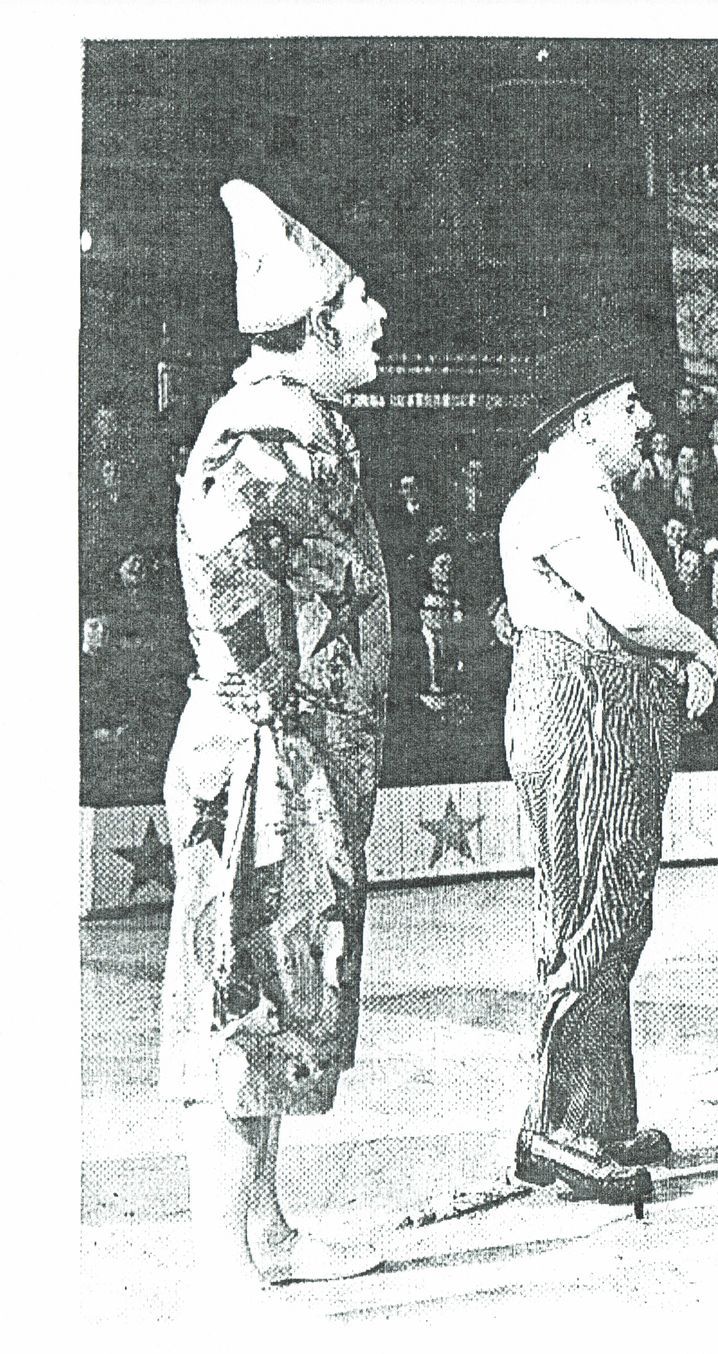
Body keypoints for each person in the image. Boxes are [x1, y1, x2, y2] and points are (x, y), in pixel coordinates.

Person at [159, 180, 393, 1295]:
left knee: (280, 991)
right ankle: (227, 1250)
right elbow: (226, 567)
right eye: (358, 300)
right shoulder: (264, 431)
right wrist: (273, 696)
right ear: (313, 328)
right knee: (241, 1000)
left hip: (289, 752)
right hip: (261, 754)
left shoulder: (303, 426)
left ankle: (268, 1229)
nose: (378, 315)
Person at [498, 355, 718, 1206]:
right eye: (629, 405)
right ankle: (572, 1133)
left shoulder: (584, 499)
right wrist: (699, 645)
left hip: (601, 710)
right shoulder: (561, 497)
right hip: (583, 711)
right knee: (595, 916)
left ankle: (588, 1116)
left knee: (602, 912)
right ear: (583, 417)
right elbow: (630, 613)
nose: (644, 420)